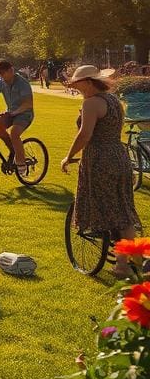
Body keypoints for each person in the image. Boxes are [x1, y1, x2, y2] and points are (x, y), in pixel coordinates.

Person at [61, 65, 139, 278]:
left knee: (110, 209)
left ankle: (122, 264)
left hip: (100, 159)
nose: (76, 87)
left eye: (77, 84)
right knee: (123, 210)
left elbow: (85, 135)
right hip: (119, 156)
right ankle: (126, 262)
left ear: (87, 82)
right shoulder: (112, 100)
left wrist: (68, 156)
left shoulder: (91, 103)